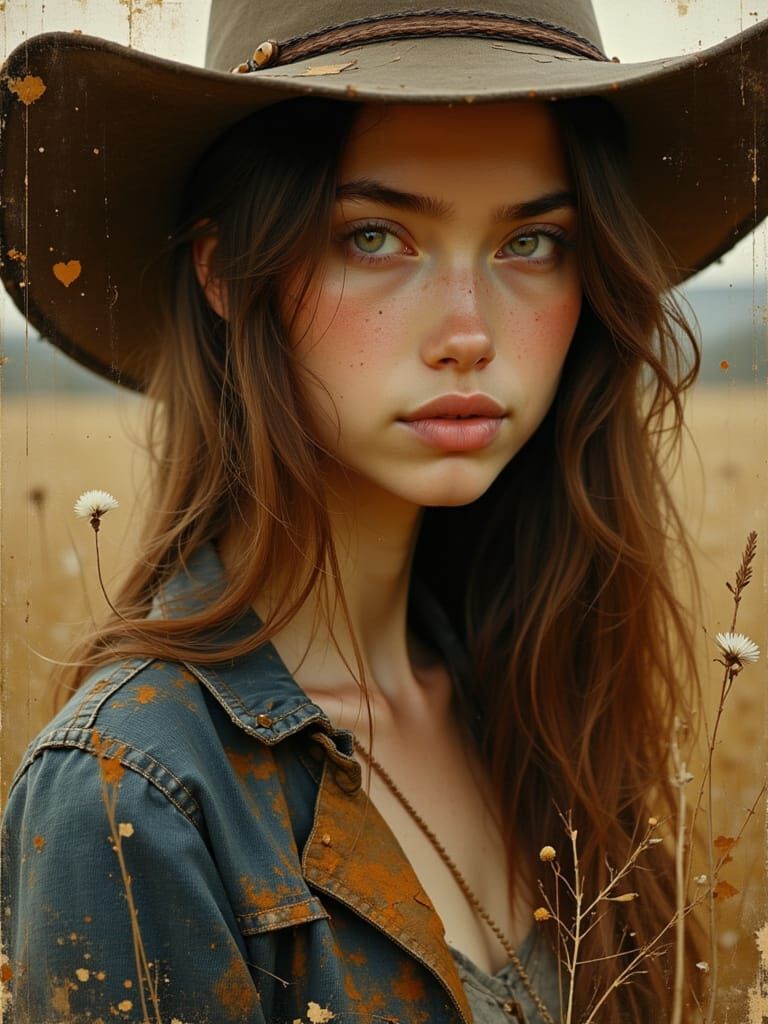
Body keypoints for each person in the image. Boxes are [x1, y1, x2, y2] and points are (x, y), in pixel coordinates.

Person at [1, 2, 766, 1022]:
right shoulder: (133, 797)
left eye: (531, 240)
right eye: (376, 235)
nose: (469, 332)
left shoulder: (542, 690)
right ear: (227, 272)